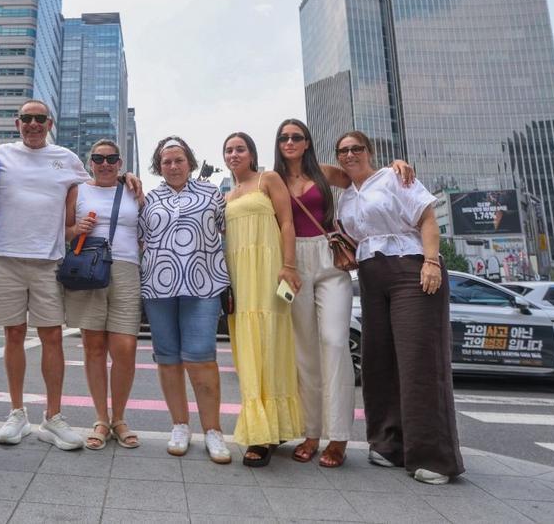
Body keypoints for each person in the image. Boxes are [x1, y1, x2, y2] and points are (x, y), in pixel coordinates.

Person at [274, 119, 414, 468]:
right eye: (284, 137)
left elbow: (363, 175)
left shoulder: (324, 172)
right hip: (292, 263)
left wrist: (394, 167)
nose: (290, 142)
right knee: (304, 351)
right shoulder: (271, 181)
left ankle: (338, 437)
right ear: (278, 144)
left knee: (335, 343)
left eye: (297, 137)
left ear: (307, 142)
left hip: (329, 258)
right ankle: (310, 433)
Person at [334, 130, 464, 485]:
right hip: (372, 277)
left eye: (356, 148)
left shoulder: (394, 177)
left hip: (411, 269)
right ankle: (388, 444)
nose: (350, 155)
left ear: (370, 151)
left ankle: (434, 457)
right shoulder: (346, 196)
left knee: (419, 361)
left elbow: (427, 219)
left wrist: (432, 262)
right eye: (343, 151)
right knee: (380, 361)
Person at [0, 100, 92, 450]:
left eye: (40, 119)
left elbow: (94, 187)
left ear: (50, 123)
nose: (33, 124)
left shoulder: (67, 158)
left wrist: (125, 177)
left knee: (51, 337)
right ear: (17, 123)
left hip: (48, 261)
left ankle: (53, 417)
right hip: (6, 258)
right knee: (13, 334)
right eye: (27, 118)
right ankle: (17, 413)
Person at [138, 136, 233, 464]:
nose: (173, 166)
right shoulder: (148, 199)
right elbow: (139, 239)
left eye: (179, 160)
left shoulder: (212, 195)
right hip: (157, 288)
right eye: (166, 162)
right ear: (159, 167)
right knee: (167, 358)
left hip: (203, 285)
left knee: (201, 358)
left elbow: (228, 234)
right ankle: (179, 425)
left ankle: (213, 430)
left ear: (190, 163)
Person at [221, 132, 302, 467]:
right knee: (248, 349)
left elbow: (286, 222)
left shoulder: (268, 179)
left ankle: (264, 434)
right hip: (239, 276)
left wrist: (288, 265)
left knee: (271, 345)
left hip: (268, 271)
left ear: (252, 154)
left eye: (240, 148)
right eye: (228, 150)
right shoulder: (227, 194)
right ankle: (266, 426)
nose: (234, 154)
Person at [62, 140, 142, 450]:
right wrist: (76, 229)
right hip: (89, 269)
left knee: (125, 345)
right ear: (90, 162)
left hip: (125, 268)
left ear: (121, 163)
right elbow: (63, 230)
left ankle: (119, 418)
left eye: (111, 158)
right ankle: (101, 418)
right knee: (93, 345)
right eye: (98, 158)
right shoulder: (78, 190)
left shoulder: (134, 189)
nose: (105, 163)